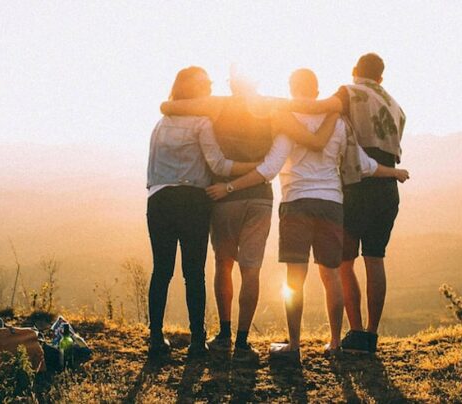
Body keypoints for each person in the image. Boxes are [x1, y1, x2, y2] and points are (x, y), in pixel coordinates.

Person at [206, 68, 409, 360]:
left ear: (292, 89)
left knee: (295, 278)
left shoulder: (288, 121)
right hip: (332, 204)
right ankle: (335, 343)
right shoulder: (339, 123)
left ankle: (294, 346)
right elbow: (363, 165)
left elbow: (270, 168)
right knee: (331, 275)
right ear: (317, 91)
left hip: (296, 203)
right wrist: (394, 172)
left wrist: (230, 186)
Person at [160, 69, 337, 361]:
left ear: (232, 84)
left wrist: (167, 105)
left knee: (224, 264)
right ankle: (242, 343)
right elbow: (310, 117)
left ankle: (224, 335)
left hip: (224, 196)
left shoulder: (217, 105)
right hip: (260, 197)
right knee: (251, 269)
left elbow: (169, 107)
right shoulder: (272, 106)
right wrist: (335, 106)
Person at [285, 53, 407, 354]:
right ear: (381, 77)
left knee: (344, 262)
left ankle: (354, 331)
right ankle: (371, 335)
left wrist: (275, 107)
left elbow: (316, 108)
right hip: (387, 186)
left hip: (356, 185)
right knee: (375, 259)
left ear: (355, 71)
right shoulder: (395, 106)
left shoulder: (348, 92)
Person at [146, 66, 258, 357]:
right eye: (204, 82)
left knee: (161, 270)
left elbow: (152, 169)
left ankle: (155, 338)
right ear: (191, 88)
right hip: (193, 201)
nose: (209, 86)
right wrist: (256, 168)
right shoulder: (202, 122)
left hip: (159, 200)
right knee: (194, 272)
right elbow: (218, 165)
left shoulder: (161, 123)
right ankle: (197, 340)